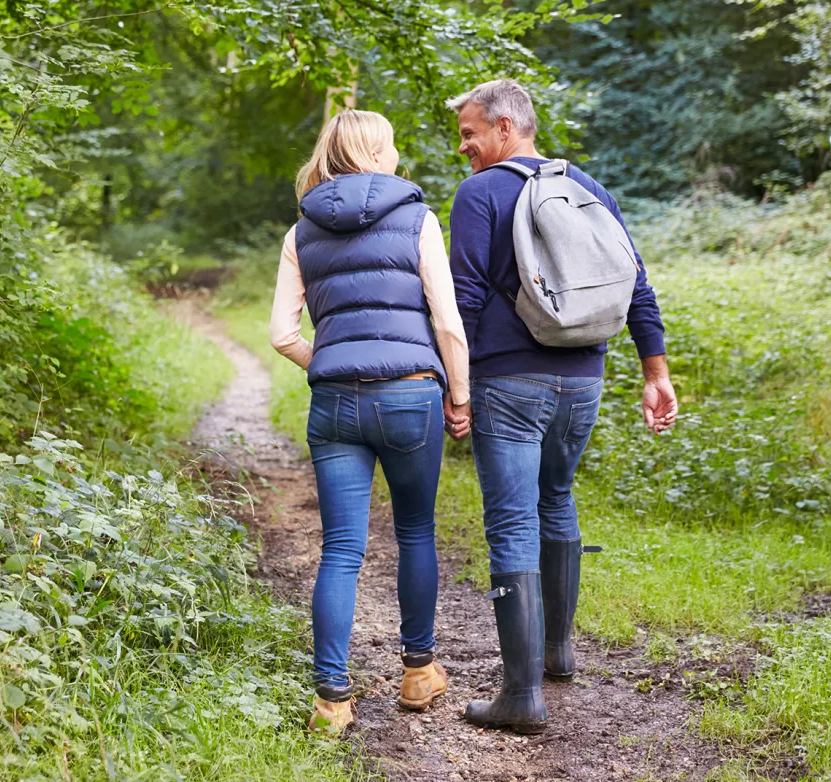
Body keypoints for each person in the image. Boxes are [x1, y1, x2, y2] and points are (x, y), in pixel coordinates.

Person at [443, 80, 678, 734]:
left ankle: (520, 696)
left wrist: (451, 386)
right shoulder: (587, 188)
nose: (464, 148)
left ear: (506, 128)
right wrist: (653, 372)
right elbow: (637, 284)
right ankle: (558, 655)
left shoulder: (479, 193)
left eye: (470, 134)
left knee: (511, 521)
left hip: (508, 382)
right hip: (584, 379)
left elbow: (461, 300)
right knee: (557, 497)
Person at [269, 109, 472, 734]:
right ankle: (418, 673)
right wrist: (457, 395)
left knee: (342, 550)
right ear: (381, 152)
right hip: (410, 396)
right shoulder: (417, 217)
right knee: (415, 530)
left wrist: (325, 361)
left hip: (334, 404)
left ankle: (331, 701)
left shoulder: (301, 230)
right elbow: (447, 322)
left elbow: (281, 334)